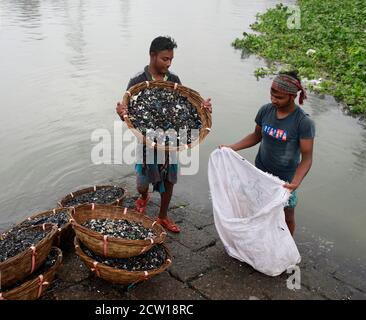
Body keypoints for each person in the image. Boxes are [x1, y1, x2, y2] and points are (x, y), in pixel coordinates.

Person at [116, 36, 212, 233]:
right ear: (152, 55)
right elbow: (128, 113)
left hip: (170, 140)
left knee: (169, 179)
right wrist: (121, 112)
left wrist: (202, 108)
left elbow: (185, 109)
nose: (168, 64)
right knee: (142, 183)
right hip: (146, 141)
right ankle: (144, 196)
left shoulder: (174, 80)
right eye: (164, 59)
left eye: (171, 60)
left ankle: (163, 216)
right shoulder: (137, 80)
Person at [220, 71, 315, 236]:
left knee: (287, 216)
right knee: (255, 209)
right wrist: (231, 147)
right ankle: (256, 240)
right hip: (261, 173)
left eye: (279, 97)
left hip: (285, 181)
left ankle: (286, 247)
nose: (273, 100)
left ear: (292, 96)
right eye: (272, 95)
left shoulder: (303, 122)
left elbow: (307, 158)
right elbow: (256, 136)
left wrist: (295, 182)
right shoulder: (266, 111)